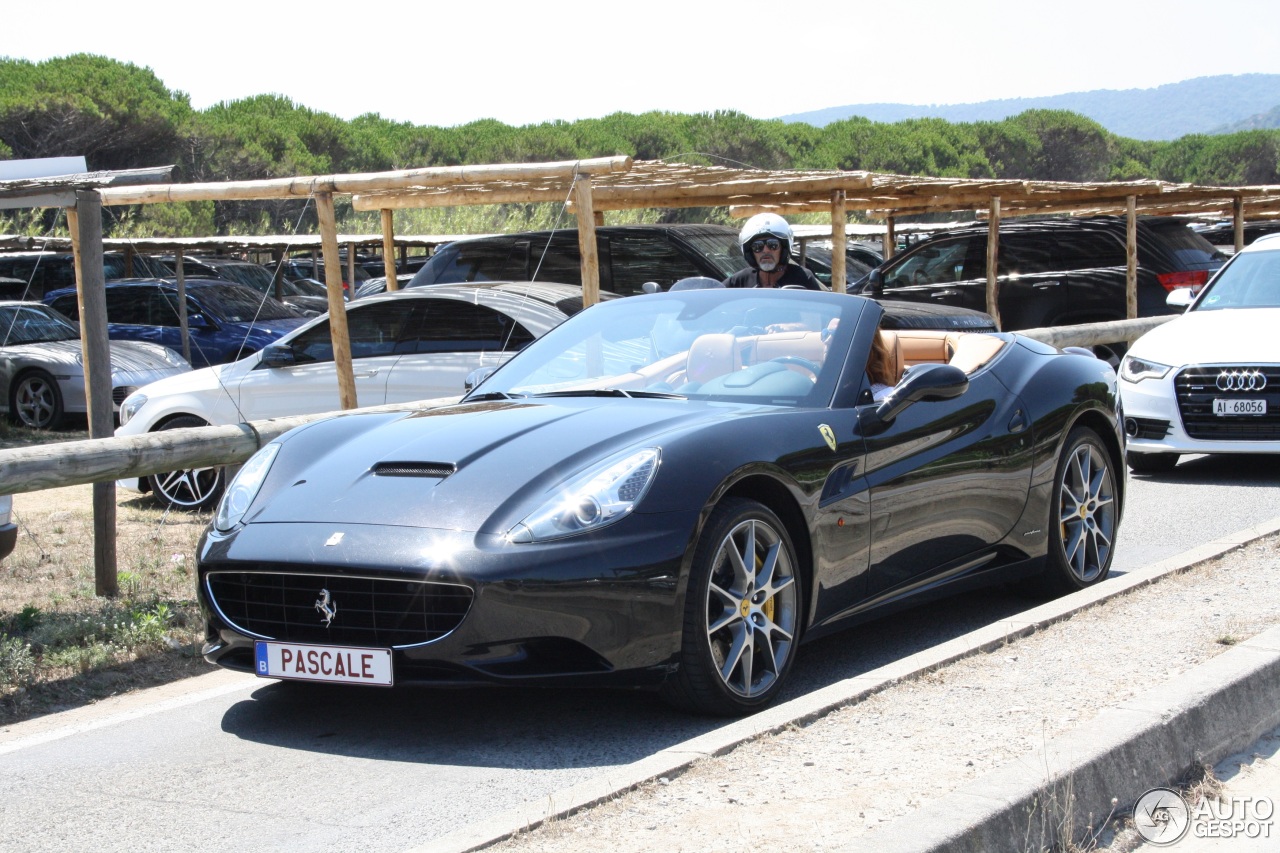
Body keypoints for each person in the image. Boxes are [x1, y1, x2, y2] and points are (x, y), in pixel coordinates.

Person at [723, 213, 823, 290]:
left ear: (783, 249)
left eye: (773, 245)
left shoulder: (803, 278)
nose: (766, 250)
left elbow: (822, 311)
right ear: (750, 252)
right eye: (758, 246)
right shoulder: (739, 281)